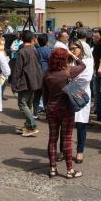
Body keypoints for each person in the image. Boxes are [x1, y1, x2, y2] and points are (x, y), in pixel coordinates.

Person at [43, 47, 85, 179]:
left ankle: (52, 168)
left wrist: (47, 107)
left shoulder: (47, 74)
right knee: (66, 139)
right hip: (66, 109)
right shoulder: (68, 71)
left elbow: (45, 95)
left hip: (52, 109)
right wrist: (74, 55)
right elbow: (83, 65)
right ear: (65, 59)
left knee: (52, 139)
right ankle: (70, 170)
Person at [11, 30, 43, 137]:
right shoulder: (34, 50)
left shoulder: (22, 51)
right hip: (34, 81)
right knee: (29, 104)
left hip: (25, 82)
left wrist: (14, 84)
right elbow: (39, 66)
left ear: (22, 39)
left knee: (22, 103)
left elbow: (17, 70)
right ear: (32, 39)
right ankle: (28, 127)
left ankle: (32, 125)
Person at [69, 41, 95, 163]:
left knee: (81, 124)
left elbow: (86, 78)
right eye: (72, 48)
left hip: (81, 94)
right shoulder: (69, 60)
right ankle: (64, 150)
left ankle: (80, 151)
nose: (73, 50)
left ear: (83, 49)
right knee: (66, 124)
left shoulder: (88, 61)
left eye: (76, 48)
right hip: (68, 93)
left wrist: (71, 78)